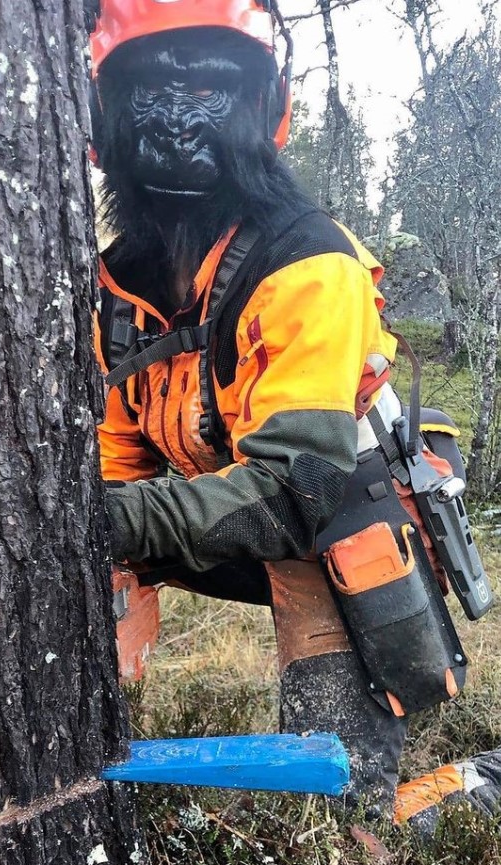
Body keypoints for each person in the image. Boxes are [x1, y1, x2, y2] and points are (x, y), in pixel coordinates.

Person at [85, 0, 499, 825]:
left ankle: (481, 780)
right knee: (103, 545)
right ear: (106, 113)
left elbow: (290, 490)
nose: (173, 119)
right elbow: (120, 459)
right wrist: (102, 592)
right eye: (149, 91)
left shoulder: (307, 262)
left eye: (205, 90)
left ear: (258, 106)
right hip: (232, 513)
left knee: (335, 813)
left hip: (335, 524)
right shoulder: (119, 289)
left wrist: (93, 521)